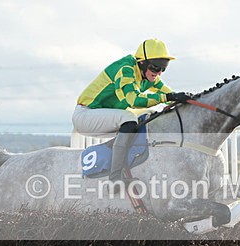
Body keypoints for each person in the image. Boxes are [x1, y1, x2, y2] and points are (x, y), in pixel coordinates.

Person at [73, 38, 188, 181]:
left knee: (150, 116)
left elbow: (169, 94)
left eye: (163, 68)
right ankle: (115, 177)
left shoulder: (148, 75)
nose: (159, 73)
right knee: (128, 118)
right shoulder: (126, 69)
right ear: (142, 63)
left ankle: (127, 162)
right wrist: (167, 97)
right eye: (155, 67)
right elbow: (133, 100)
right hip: (86, 115)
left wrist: (187, 99)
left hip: (102, 116)